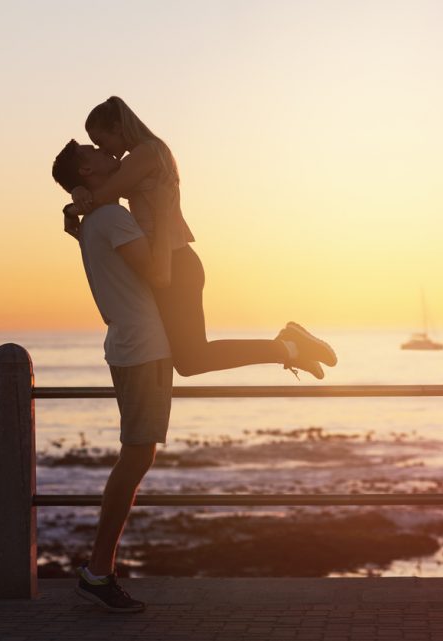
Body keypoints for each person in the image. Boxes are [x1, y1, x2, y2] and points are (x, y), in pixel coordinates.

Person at [63, 96, 336, 380]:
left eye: (101, 141)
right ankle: (290, 348)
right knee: (189, 361)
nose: (105, 150)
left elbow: (103, 195)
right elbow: (97, 188)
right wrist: (75, 194)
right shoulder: (143, 156)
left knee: (193, 358)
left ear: (119, 128)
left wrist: (72, 206)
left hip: (176, 263)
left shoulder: (145, 154)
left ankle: (289, 346)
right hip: (171, 259)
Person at [52, 139, 173, 613]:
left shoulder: (94, 220)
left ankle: (99, 569)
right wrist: (162, 214)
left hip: (130, 345)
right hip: (143, 347)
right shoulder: (112, 220)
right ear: (88, 169)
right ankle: (98, 571)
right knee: (136, 458)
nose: (109, 152)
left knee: (136, 457)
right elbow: (159, 275)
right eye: (97, 151)